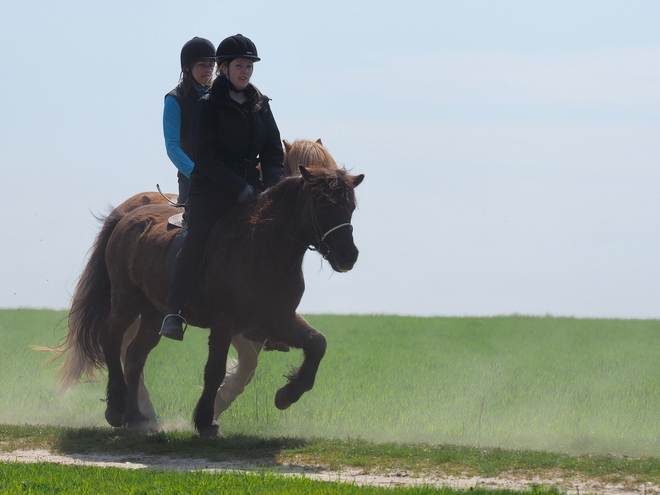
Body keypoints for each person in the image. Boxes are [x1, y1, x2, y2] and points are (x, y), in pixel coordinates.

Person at [160, 34, 285, 340]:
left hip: (251, 189)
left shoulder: (261, 105)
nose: (246, 72)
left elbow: (272, 153)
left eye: (250, 66)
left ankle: (270, 316)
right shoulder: (206, 105)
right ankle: (173, 312)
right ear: (225, 69)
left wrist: (273, 189)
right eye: (240, 66)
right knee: (198, 239)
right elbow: (206, 157)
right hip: (210, 190)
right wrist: (238, 187)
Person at [163, 37, 216, 204]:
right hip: (192, 180)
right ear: (187, 67)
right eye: (202, 65)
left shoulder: (220, 96)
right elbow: (172, 146)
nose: (208, 70)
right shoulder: (174, 100)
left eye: (211, 65)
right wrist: (198, 174)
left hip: (225, 176)